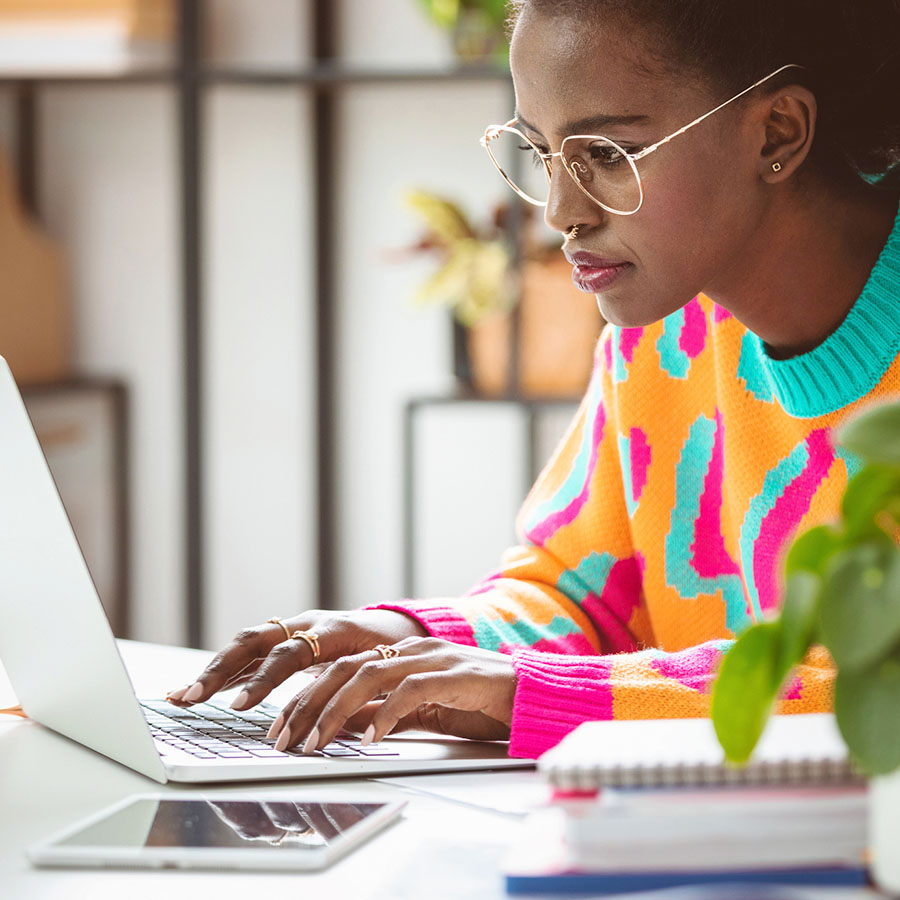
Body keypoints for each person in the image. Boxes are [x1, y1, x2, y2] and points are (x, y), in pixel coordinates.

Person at [169, 0, 900, 760]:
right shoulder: (666, 327)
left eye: (610, 155)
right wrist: (412, 640)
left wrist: (531, 693)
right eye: (544, 153)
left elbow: (877, 685)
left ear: (778, 130)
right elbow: (579, 596)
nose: (562, 212)